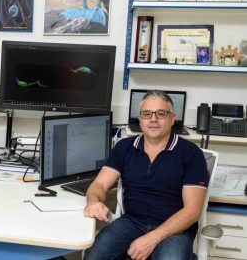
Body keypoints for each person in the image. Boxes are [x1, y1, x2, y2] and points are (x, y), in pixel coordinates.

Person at [84, 90, 209, 260]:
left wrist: (151, 238)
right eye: (147, 114)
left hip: (174, 229)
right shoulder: (124, 148)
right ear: (140, 119)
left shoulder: (191, 154)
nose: (153, 119)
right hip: (131, 222)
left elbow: (192, 211)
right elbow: (99, 185)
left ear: (172, 119)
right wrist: (93, 201)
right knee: (94, 256)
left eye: (161, 114)